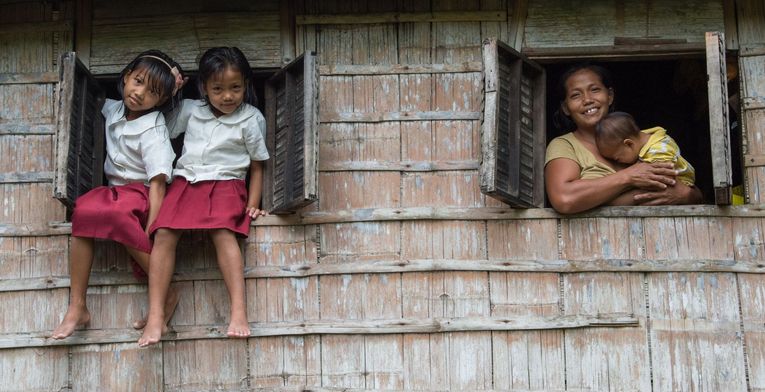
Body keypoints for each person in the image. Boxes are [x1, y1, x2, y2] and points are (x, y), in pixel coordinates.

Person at [138, 47, 269, 347]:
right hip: (186, 182)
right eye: (218, 89)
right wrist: (173, 92)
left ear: (246, 85)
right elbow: (158, 125)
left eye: (236, 88)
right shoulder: (190, 110)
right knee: (164, 234)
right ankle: (156, 315)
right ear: (204, 87)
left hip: (226, 184)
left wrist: (253, 204)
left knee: (224, 234)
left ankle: (238, 312)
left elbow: (258, 164)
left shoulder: (251, 119)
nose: (227, 96)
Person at [51, 50, 184, 339]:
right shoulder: (114, 109)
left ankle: (166, 291)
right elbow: (90, 98)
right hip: (114, 193)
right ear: (125, 77)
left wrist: (152, 228)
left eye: (152, 92)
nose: (139, 93)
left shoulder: (154, 129)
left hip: (142, 194)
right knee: (83, 211)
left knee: (116, 214)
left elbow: (159, 184)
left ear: (162, 100)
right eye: (137, 81)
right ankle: (77, 307)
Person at [545, 63, 702, 214]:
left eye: (594, 90)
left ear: (610, 96)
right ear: (566, 107)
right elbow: (565, 199)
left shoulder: (643, 141)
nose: (587, 100)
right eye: (575, 95)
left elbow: (688, 186)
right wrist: (629, 176)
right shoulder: (565, 145)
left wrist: (687, 195)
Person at [595, 111, 696, 187]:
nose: (618, 163)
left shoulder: (658, 151)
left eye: (617, 158)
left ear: (629, 144)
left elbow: (663, 178)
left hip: (681, 184)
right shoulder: (645, 138)